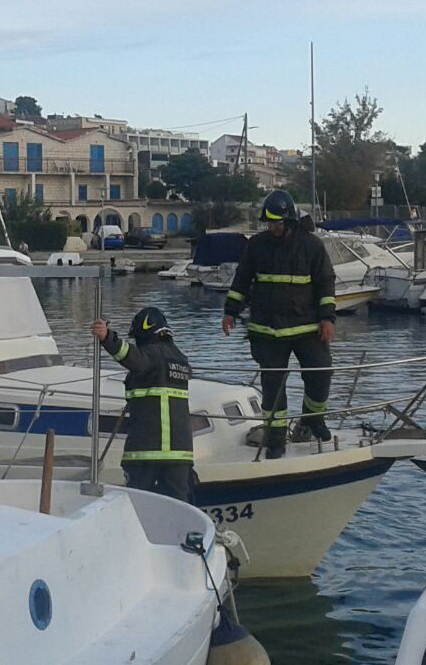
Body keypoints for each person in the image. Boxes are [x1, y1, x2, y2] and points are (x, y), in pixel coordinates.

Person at [221, 189, 336, 459]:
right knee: (273, 387)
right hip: (267, 330)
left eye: (278, 223)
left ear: (290, 221)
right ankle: (275, 439)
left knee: (321, 372)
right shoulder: (256, 245)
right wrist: (230, 312)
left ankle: (312, 420)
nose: (273, 228)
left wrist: (327, 318)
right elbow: (242, 280)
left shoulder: (311, 246)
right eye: (269, 223)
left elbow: (325, 283)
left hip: (307, 327)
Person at [93, 307, 194, 502]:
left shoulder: (152, 354)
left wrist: (107, 338)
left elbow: (133, 357)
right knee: (178, 507)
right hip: (180, 453)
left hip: (148, 449)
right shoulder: (180, 358)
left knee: (137, 504)